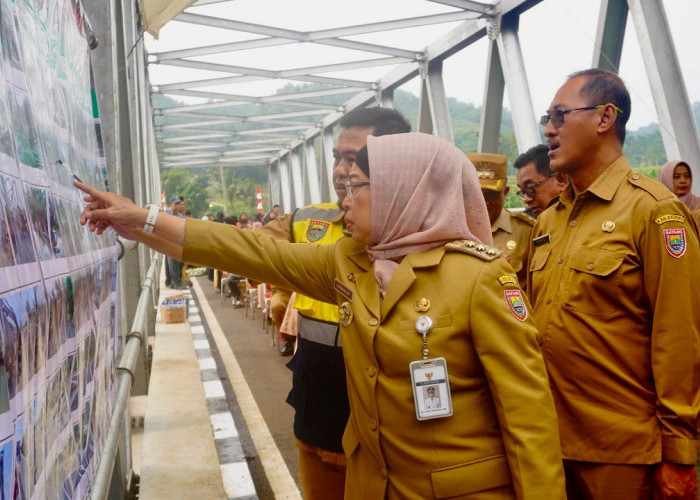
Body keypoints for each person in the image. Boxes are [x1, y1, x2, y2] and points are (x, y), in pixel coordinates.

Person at [75, 132, 566, 499]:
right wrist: (141, 221)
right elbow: (249, 252)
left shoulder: (480, 278)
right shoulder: (349, 262)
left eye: (358, 186)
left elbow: (530, 423)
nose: (344, 198)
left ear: (404, 191)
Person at [530, 68, 700, 499]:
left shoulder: (653, 211)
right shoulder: (550, 220)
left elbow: (678, 336)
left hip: (619, 452)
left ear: (605, 117)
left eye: (560, 116)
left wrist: (679, 450)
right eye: (546, 119)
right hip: (545, 442)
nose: (549, 129)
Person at [254, 106, 411, 499]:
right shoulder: (305, 221)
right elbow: (247, 250)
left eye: (353, 159)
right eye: (337, 158)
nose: (341, 170)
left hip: (389, 411)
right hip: (319, 398)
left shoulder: (422, 233)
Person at [469, 152, 534, 287]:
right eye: (478, 195)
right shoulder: (450, 230)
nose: (484, 202)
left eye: (491, 195)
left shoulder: (527, 232)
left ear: (505, 192)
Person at [513, 144, 568, 218]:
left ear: (561, 180)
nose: (526, 199)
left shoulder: (586, 219)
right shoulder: (530, 226)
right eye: (523, 192)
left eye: (530, 188)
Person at [165, 196, 187, 289]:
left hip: (178, 242)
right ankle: (175, 283)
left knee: (177, 263)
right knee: (171, 263)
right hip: (169, 242)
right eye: (176, 204)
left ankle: (176, 282)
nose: (178, 206)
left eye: (179, 204)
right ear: (171, 204)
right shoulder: (166, 214)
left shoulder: (181, 216)